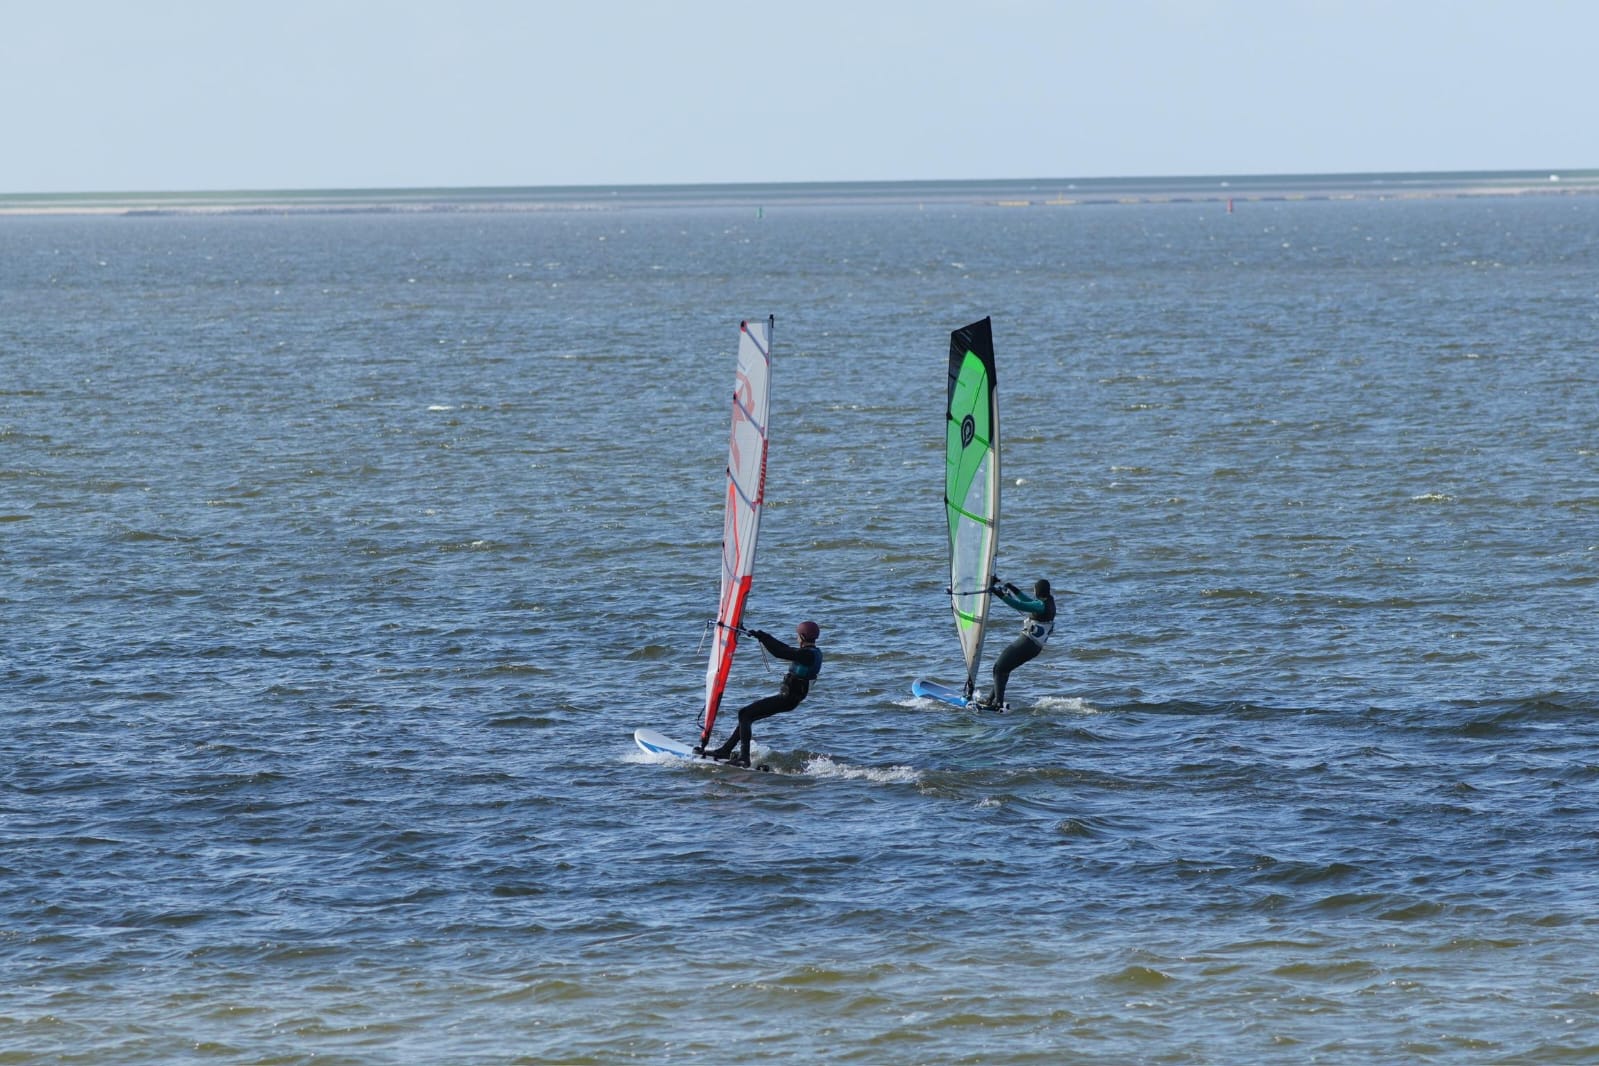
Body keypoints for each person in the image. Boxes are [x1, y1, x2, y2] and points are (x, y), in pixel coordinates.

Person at [698, 621, 823, 767]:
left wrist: (763, 638)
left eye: (797, 635)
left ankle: (744, 757)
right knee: (747, 716)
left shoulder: (807, 655)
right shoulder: (812, 653)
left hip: (787, 699)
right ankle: (726, 750)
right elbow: (785, 648)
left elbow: (780, 652)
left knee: (744, 714)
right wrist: (763, 635)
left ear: (802, 635)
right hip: (790, 699)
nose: (796, 637)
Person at [976, 578, 1056, 711]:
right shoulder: (1047, 601)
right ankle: (991, 700)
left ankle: (998, 704)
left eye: (1034, 589)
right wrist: (1013, 589)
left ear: (1038, 591)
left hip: (1027, 644)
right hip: (1033, 647)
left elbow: (1019, 605)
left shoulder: (1041, 606)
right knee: (1004, 669)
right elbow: (1027, 601)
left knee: (998, 668)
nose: (1033, 591)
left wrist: (999, 594)